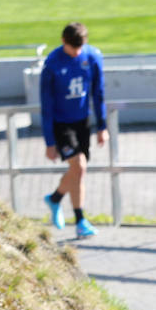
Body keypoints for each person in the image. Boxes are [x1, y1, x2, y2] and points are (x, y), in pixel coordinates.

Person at [39, 22, 106, 238]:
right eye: (72, 49)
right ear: (63, 42)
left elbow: (99, 93)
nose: (76, 53)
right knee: (79, 166)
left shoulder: (92, 58)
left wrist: (101, 126)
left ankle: (56, 199)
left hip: (82, 122)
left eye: (80, 48)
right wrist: (49, 142)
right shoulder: (52, 64)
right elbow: (46, 105)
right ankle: (80, 220)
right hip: (62, 123)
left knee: (79, 171)